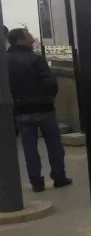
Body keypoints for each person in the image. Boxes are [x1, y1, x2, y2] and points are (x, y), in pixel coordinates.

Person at [6, 28, 71, 192]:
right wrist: (50, 97)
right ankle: (59, 176)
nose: (33, 40)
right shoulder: (36, 59)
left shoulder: (5, 61)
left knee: (29, 148)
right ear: (20, 41)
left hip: (21, 110)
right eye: (29, 37)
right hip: (44, 108)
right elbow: (49, 82)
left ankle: (36, 182)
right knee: (54, 144)